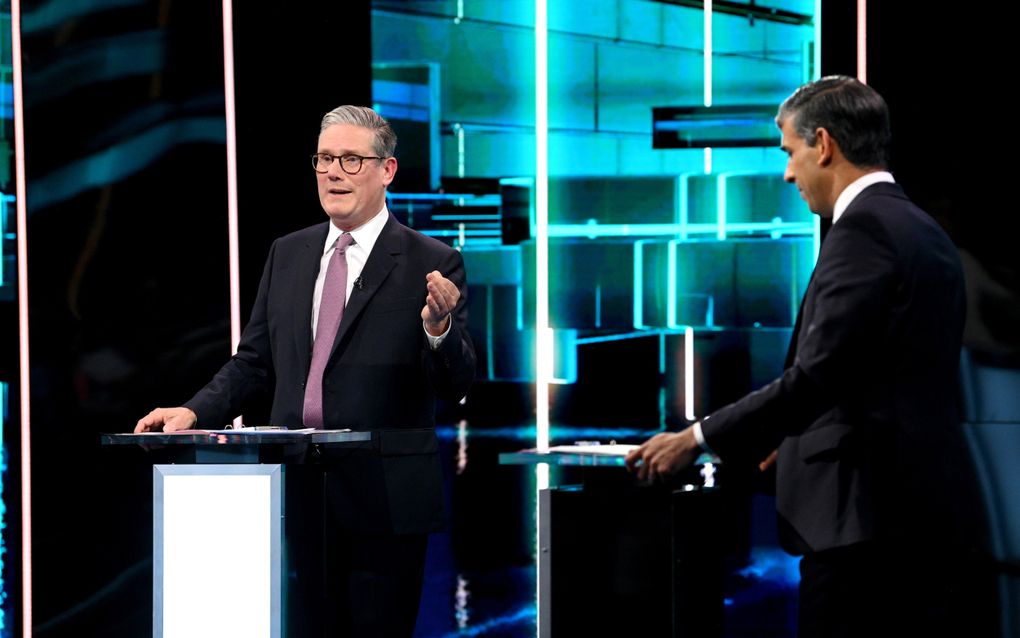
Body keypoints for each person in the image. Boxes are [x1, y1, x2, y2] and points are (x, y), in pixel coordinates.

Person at [626, 76, 992, 636]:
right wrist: (788, 441)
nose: (788, 174)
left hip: (861, 531)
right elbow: (870, 374)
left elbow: (818, 374)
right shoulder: (921, 228)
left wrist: (693, 439)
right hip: (920, 518)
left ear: (823, 144)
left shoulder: (863, 230)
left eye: (791, 153)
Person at [136, 105, 476, 637]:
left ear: (387, 170)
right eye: (323, 159)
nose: (333, 172)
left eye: (350, 159)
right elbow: (254, 360)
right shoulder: (288, 253)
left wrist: (439, 327)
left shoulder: (429, 260)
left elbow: (455, 383)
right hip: (292, 494)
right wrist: (194, 410)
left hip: (382, 501)